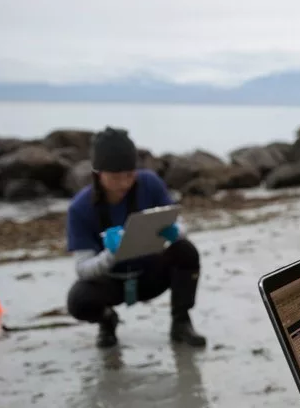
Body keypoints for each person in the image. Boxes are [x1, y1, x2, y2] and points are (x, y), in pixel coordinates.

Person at [65, 127, 207, 349]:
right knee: (78, 300)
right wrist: (110, 255)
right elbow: (82, 268)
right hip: (112, 281)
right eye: (114, 176)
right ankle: (107, 321)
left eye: (129, 175)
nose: (123, 183)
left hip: (149, 274)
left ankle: (181, 322)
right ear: (97, 172)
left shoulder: (149, 183)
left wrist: (175, 231)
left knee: (186, 250)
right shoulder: (79, 208)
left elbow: (179, 223)